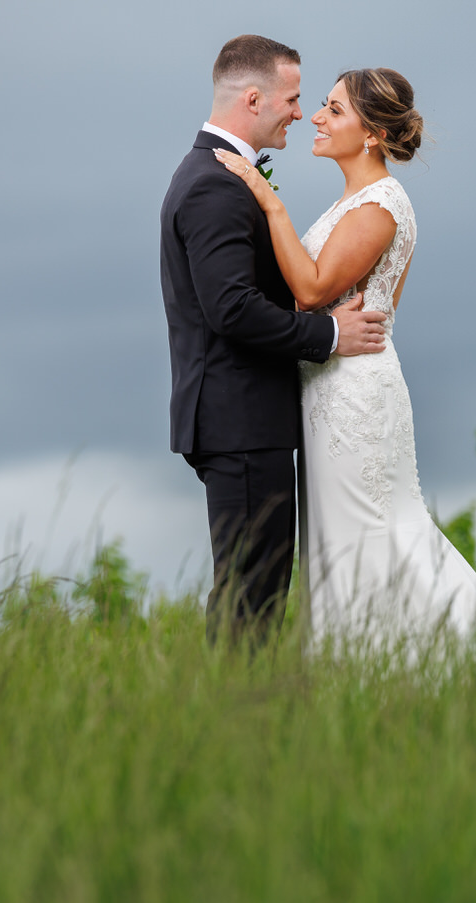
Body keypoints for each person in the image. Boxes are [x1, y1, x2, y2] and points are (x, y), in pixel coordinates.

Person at [213, 68, 476, 682]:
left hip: (354, 395)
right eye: (319, 106)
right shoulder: (352, 201)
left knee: (377, 536)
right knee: (343, 542)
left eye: (334, 110)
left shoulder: (382, 204)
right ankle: (363, 681)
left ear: (371, 134)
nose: (317, 117)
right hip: (326, 387)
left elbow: (315, 288)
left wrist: (269, 204)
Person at [160, 35, 389, 646]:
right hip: (240, 420)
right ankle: (230, 726)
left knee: (254, 590)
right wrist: (330, 334)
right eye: (291, 99)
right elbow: (232, 309)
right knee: (249, 596)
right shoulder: (213, 184)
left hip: (244, 419)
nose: (300, 112)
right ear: (255, 98)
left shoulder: (219, 175)